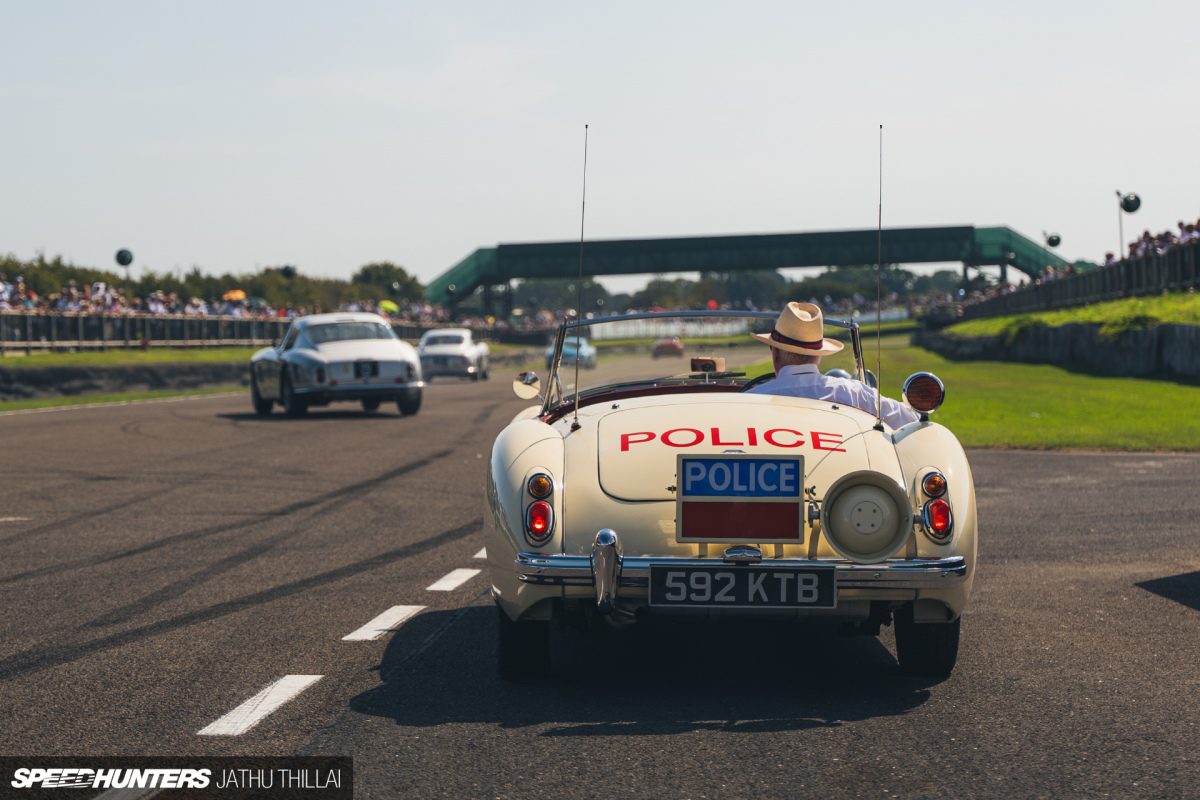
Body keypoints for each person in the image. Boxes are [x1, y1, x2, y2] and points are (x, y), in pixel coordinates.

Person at [746, 301, 920, 430]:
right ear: (819, 355)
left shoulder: (749, 400)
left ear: (775, 353)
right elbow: (912, 419)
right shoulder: (855, 393)